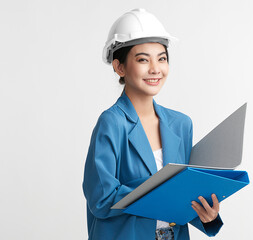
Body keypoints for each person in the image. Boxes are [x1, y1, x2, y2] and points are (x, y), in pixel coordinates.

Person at [82, 8, 223, 240]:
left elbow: (183, 198)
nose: (155, 68)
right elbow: (101, 199)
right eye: (142, 60)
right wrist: (161, 190)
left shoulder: (181, 124)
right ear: (119, 67)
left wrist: (206, 213)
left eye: (162, 58)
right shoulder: (112, 123)